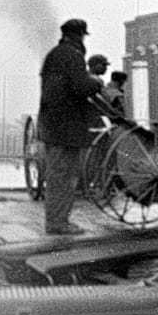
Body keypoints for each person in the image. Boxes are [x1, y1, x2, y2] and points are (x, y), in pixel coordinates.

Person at [37, 19, 103, 235]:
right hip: (66, 128)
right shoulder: (72, 56)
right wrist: (96, 82)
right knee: (64, 177)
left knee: (57, 175)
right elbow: (81, 86)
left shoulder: (54, 55)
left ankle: (56, 221)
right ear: (79, 36)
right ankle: (58, 223)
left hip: (52, 125)